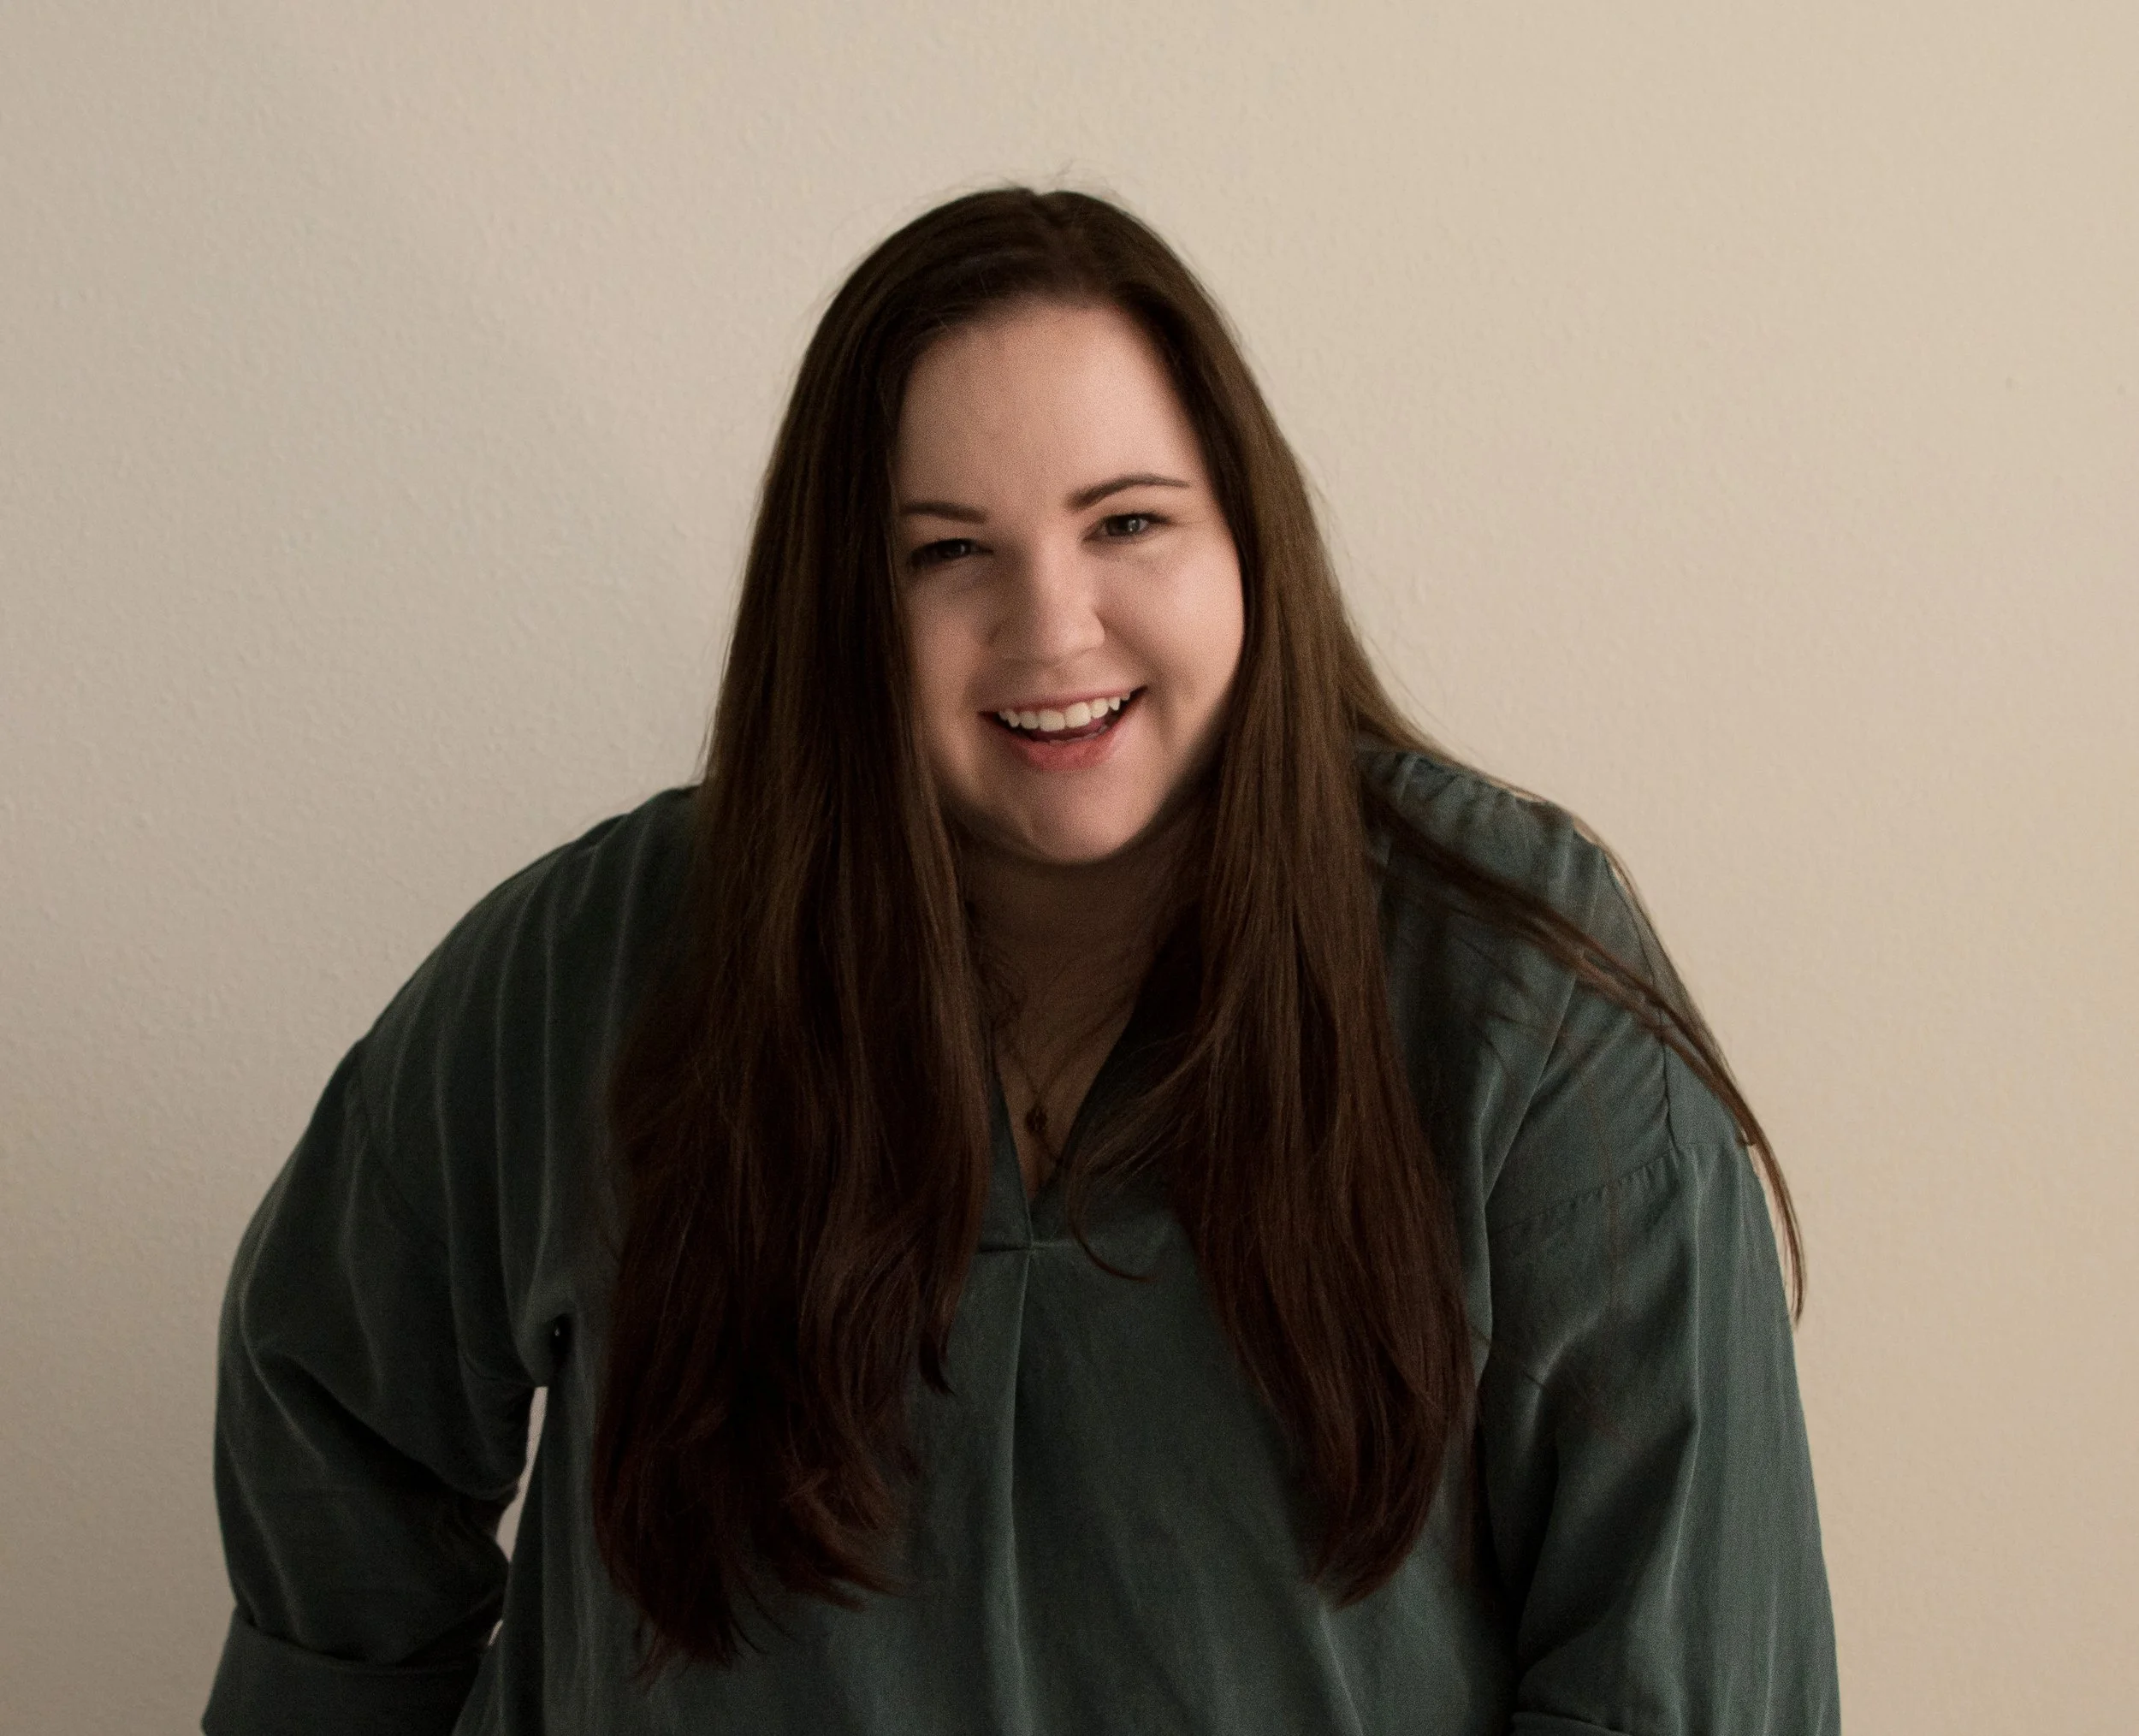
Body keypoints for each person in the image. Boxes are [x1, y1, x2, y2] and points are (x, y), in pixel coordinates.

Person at [203, 186, 1839, 1735]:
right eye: (947, 552)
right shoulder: (599, 974)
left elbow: (1685, 1669)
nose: (1053, 629)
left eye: (1127, 522)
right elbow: (330, 1405)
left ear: (1249, 542)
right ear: (841, 605)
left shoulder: (1521, 1005)